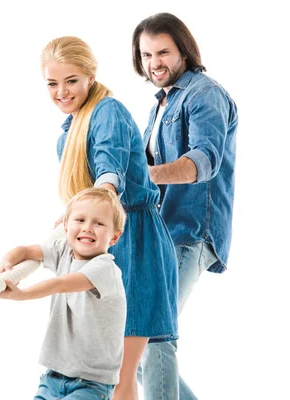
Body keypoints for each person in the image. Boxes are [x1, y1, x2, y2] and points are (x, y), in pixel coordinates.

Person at [39, 36, 178, 400]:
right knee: (104, 369)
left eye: (71, 80)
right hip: (101, 238)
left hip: (132, 241)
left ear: (90, 76)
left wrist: (96, 203)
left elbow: (108, 169)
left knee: (120, 373)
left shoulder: (107, 111)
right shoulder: (72, 126)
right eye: (52, 83)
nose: (61, 91)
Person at [132, 12, 239, 400]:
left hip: (189, 231)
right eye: (146, 55)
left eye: (163, 52)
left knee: (153, 336)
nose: (154, 63)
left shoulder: (203, 93)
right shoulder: (162, 103)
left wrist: (146, 175)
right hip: (163, 234)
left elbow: (204, 160)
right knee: (141, 348)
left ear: (184, 52)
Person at [0, 188, 126, 400]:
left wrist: (20, 294)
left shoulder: (105, 268)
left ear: (114, 237)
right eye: (80, 220)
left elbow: (61, 284)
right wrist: (8, 261)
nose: (87, 228)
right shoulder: (64, 250)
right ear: (65, 226)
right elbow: (26, 250)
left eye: (99, 223)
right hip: (53, 376)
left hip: (92, 383)